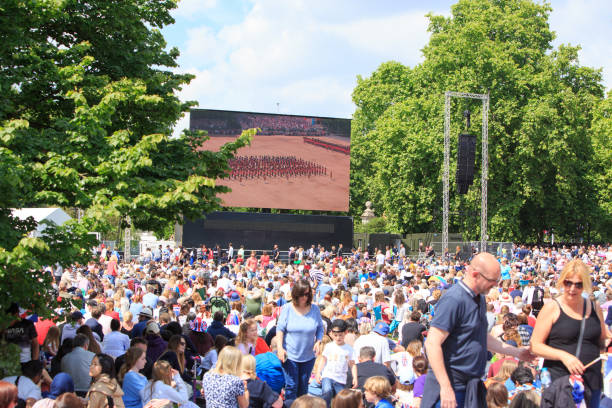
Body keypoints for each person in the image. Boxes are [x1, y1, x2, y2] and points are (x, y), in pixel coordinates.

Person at [422, 252, 534, 408]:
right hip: (451, 387)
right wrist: (445, 387)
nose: (495, 285)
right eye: (492, 281)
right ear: (475, 275)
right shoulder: (454, 299)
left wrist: (517, 352)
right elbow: (432, 344)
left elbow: (482, 337)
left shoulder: (479, 298)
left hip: (470, 387)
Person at [530, 259, 609, 408]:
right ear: (562, 282)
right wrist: (564, 356)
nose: (572, 288)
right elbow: (535, 345)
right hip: (560, 382)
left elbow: (602, 341)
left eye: (578, 285)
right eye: (568, 283)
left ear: (585, 285)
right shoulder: (552, 308)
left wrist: (607, 345)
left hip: (591, 381)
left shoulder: (594, 307)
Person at [276, 279, 325, 401]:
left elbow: (320, 328)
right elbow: (280, 329)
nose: (304, 297)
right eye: (302, 294)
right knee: (291, 386)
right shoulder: (287, 308)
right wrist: (280, 348)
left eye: (307, 294)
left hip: (308, 356)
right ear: (296, 294)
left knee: (303, 387)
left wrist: (318, 341)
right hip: (290, 355)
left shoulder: (314, 309)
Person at [315, 319, 358, 407]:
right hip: (328, 375)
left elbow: (352, 364)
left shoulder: (349, 349)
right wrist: (318, 372)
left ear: (345, 333)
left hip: (340, 379)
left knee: (340, 399)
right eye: (336, 335)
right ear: (331, 334)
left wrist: (355, 377)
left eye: (340, 335)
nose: (338, 338)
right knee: (327, 391)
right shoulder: (329, 346)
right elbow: (323, 360)